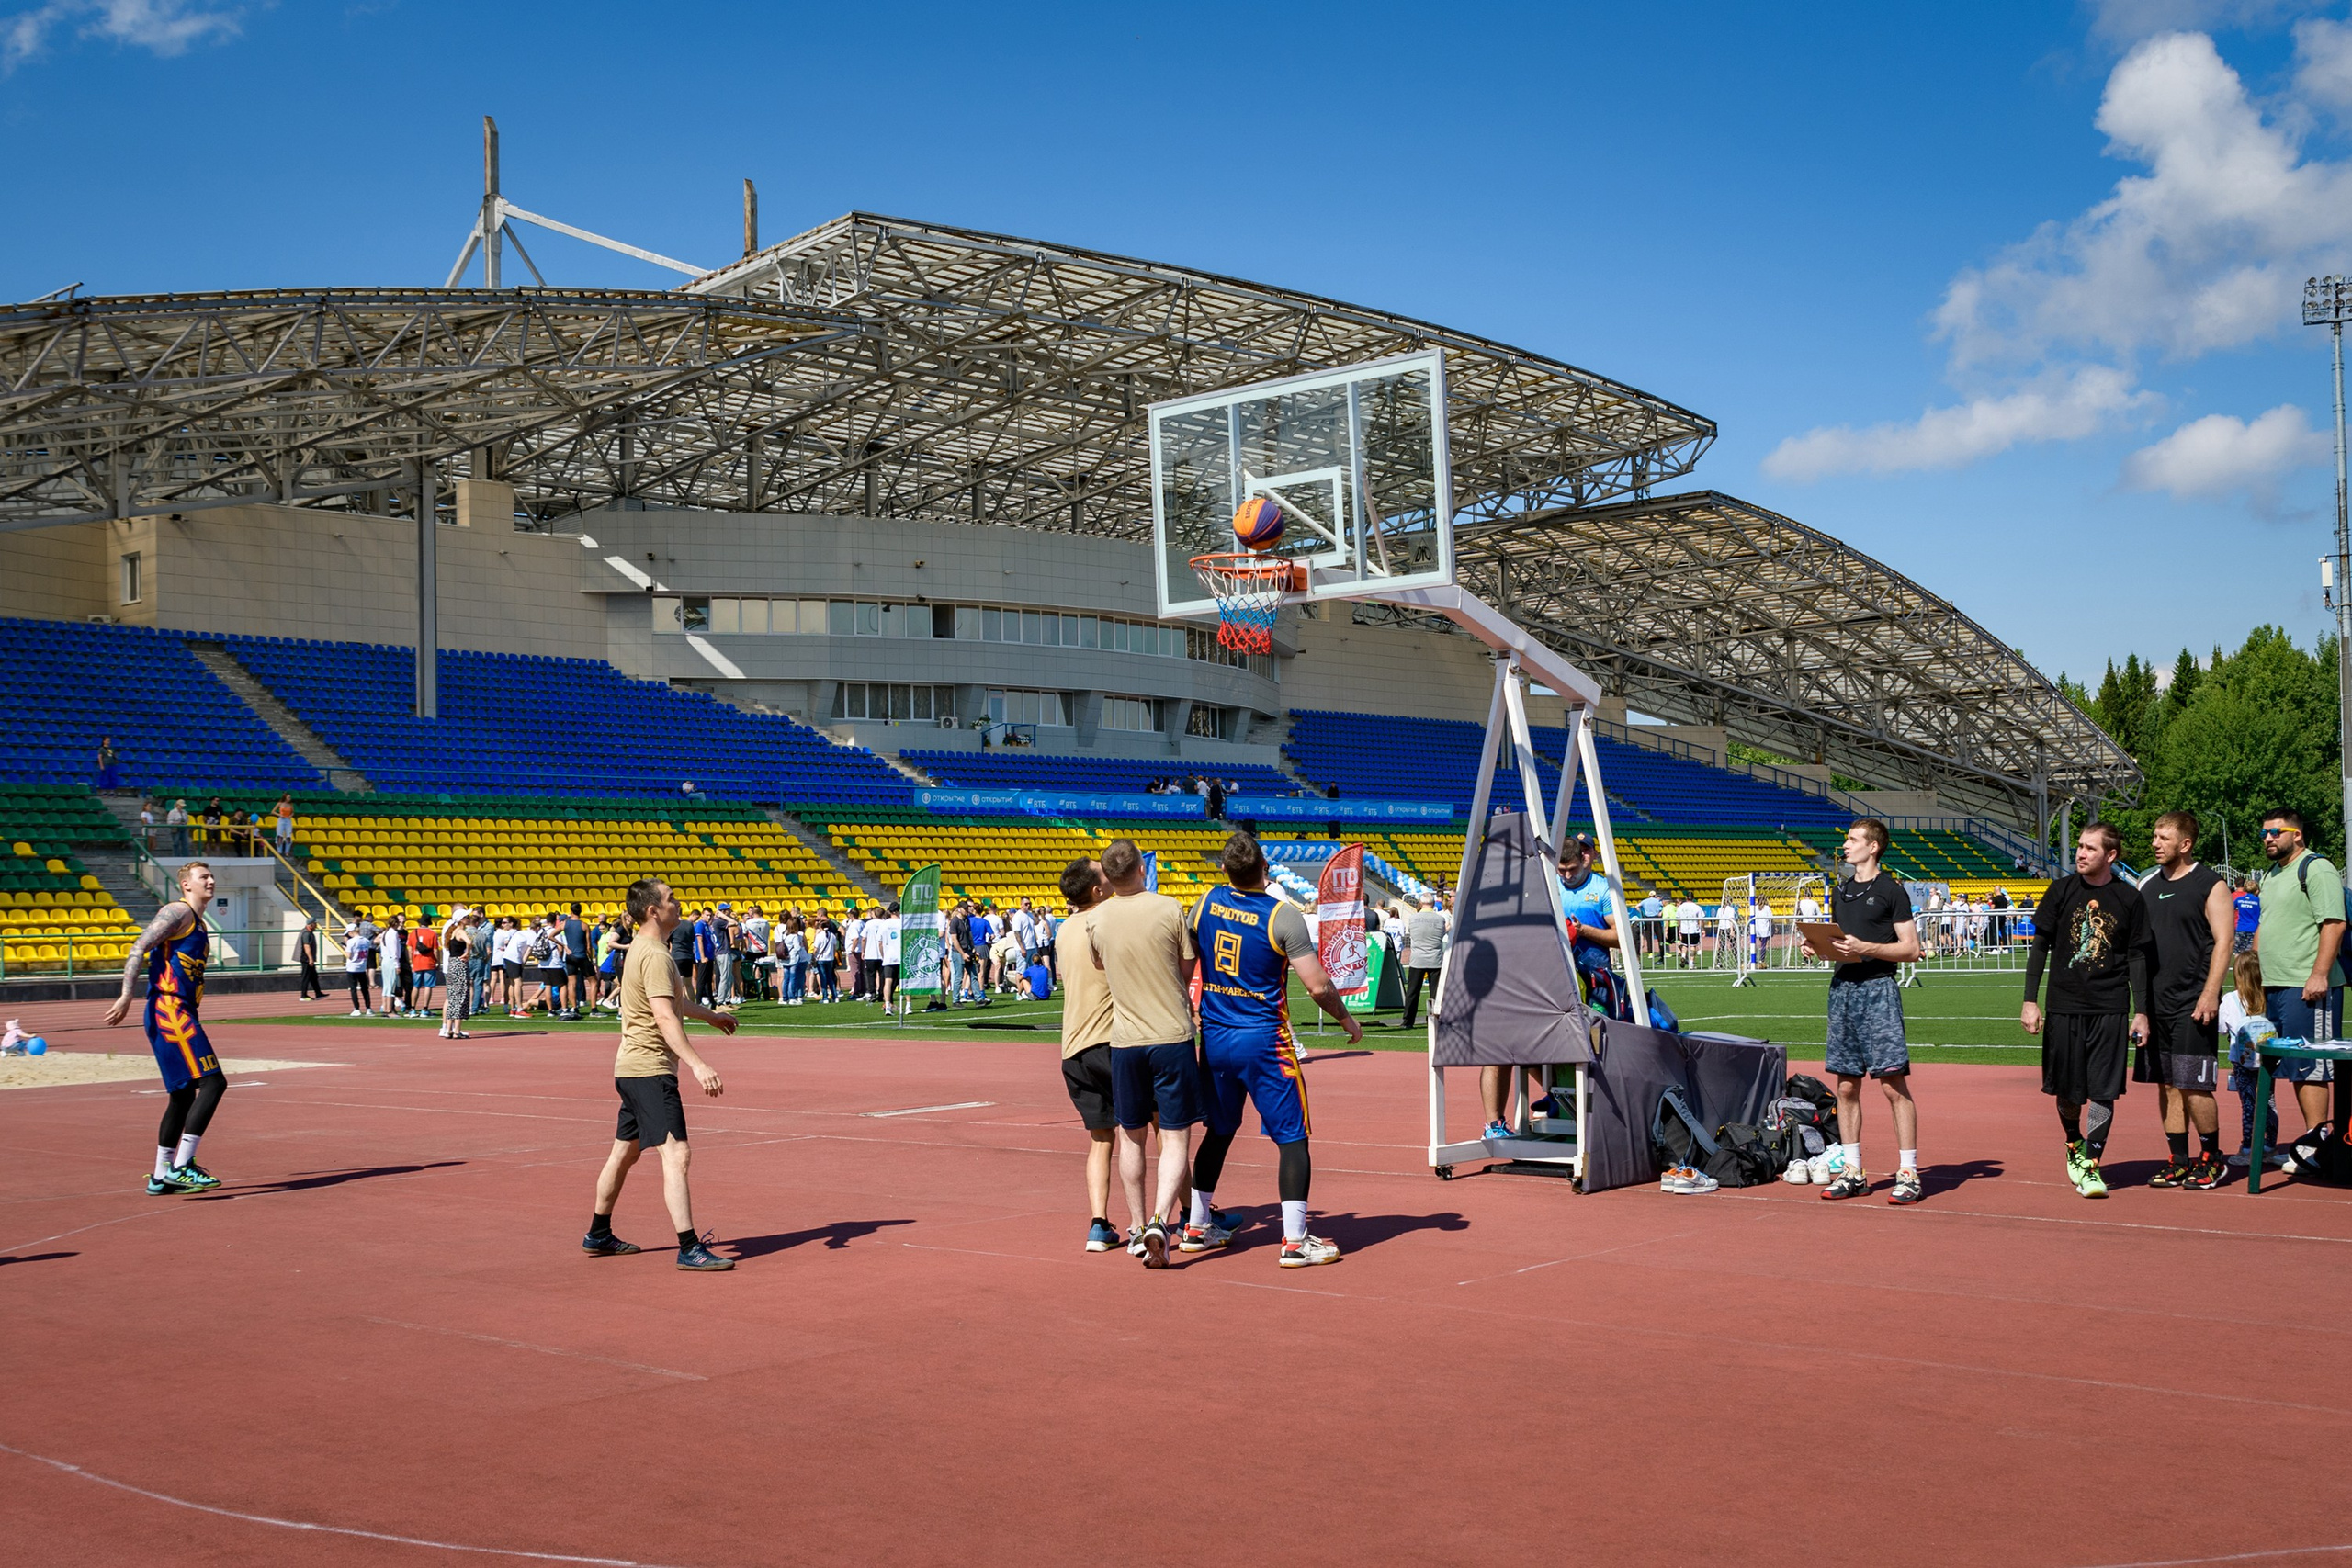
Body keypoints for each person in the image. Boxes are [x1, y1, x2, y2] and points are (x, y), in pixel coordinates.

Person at [1187, 831, 1360, 1266]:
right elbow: (1317, 985)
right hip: (1265, 1040)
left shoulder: (1203, 904)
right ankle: (1295, 1241)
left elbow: (1184, 964)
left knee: (1218, 1131)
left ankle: (1196, 1225)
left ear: (1223, 869)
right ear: (1265, 869)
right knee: (1292, 1136)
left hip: (1216, 1037)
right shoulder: (1283, 916)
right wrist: (1346, 1018)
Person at [584, 876, 739, 1271]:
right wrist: (698, 1064)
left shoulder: (646, 948)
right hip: (650, 1070)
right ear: (653, 911)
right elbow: (664, 1016)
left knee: (625, 1152)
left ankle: (598, 1233)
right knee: (677, 1153)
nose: (678, 903)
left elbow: (675, 1004)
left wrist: (711, 1016)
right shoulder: (655, 955)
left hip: (631, 1069)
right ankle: (689, 1247)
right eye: (671, 899)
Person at [2022, 823, 2152, 1200]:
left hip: (2110, 1006)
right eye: (2079, 846)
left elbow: (2137, 957)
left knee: (2103, 1090)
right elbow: (2039, 948)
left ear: (2110, 855)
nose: (2080, 853)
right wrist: (2029, 1000)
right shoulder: (2060, 890)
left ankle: (2092, 1165)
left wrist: (2141, 1011)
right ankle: (2073, 1142)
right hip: (2064, 1005)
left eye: (2090, 848)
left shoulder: (2129, 899)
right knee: (2067, 1092)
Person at [1089, 837, 1201, 1269]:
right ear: (1141, 869)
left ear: (1108, 878)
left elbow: (1100, 964)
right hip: (1171, 1034)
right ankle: (1160, 1219)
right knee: (1174, 1135)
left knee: (1130, 1135)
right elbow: (1187, 965)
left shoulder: (1097, 918)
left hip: (1125, 1040)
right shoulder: (1169, 907)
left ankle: (1137, 1225)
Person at [1819, 818, 1926, 1203]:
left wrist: (1866, 948)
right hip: (1842, 990)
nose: (1845, 845)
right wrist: (1817, 946)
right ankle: (1853, 1170)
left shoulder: (1891, 891)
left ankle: (1909, 1171)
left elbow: (1911, 949)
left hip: (1879, 990)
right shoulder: (1841, 891)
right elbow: (1839, 943)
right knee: (1846, 1086)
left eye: (1853, 839)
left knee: (1892, 1083)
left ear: (1873, 846)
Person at [105, 861, 228, 1194]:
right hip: (170, 1009)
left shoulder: (199, 923)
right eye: (204, 877)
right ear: (186, 884)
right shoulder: (178, 912)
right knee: (214, 1082)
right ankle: (183, 1165)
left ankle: (161, 1175)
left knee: (182, 1094)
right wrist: (126, 994)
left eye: (212, 876)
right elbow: (139, 947)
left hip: (178, 1010)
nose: (211, 880)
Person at [2136, 808, 2233, 1190]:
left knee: (2194, 1084)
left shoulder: (2210, 884)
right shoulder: (2147, 885)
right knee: (2167, 1084)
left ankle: (2212, 1158)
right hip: (2156, 1003)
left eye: (2164, 838)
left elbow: (2224, 942)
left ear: (2185, 844)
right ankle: (2178, 1159)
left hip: (2193, 1002)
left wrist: (2210, 993)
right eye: (2155, 836)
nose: (2155, 843)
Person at [2254, 807, 2345, 1149]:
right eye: (2264, 833)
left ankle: (2316, 1144)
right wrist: (2254, 971)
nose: (2268, 838)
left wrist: (2319, 975)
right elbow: (2266, 923)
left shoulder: (2316, 868)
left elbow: (2333, 923)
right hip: (2273, 985)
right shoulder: (2271, 874)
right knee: (2290, 1066)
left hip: (2306, 985)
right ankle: (2307, 1141)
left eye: (2275, 832)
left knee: (2310, 1067)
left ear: (2297, 834)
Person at [1056, 858, 1128, 1252]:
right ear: (1098, 890)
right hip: (1110, 1042)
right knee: (1161, 1130)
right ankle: (1190, 1215)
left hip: (1074, 1048)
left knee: (1101, 1139)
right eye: (1104, 873)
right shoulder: (1107, 921)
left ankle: (1099, 1224)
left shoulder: (1064, 928)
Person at [2220, 951, 2280, 1168]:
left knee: (2248, 1103)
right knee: (2269, 1101)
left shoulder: (2230, 999)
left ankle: (2247, 1147)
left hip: (2241, 1060)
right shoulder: (2269, 997)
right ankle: (2270, 1146)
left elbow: (2221, 1028)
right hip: (2267, 1059)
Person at [1397, 893, 1446, 1031]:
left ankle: (1408, 1021)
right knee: (1435, 993)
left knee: (1412, 992)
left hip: (1417, 958)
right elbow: (1442, 935)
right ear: (1433, 903)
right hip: (1435, 959)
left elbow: (1412, 934)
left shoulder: (1413, 918)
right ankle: (1434, 1019)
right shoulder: (1440, 919)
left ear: (1421, 903)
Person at [436, 907, 474, 1041]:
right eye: (467, 917)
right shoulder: (460, 931)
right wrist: (467, 953)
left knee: (452, 997)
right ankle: (457, 1030)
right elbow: (469, 942)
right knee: (461, 997)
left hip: (452, 964)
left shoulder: (452, 931)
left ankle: (448, 1029)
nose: (469, 919)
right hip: (459, 964)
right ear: (462, 920)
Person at [563, 902, 592, 1020]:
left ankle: (574, 1007)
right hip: (582, 956)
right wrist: (591, 958)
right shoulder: (584, 925)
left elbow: (551, 936)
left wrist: (565, 946)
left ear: (571, 911)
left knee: (572, 983)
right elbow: (588, 946)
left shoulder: (565, 924)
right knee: (594, 982)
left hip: (570, 957)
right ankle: (594, 1008)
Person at [344, 915, 375, 1015]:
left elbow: (349, 956)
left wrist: (344, 949)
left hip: (352, 967)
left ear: (351, 932)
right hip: (362, 967)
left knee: (353, 989)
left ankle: (356, 1008)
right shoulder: (366, 940)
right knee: (365, 989)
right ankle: (368, 1008)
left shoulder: (351, 941)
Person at [409, 917, 441, 1016]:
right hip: (429, 962)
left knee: (416, 986)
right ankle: (425, 1008)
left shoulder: (412, 933)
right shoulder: (432, 933)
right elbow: (435, 950)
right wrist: (438, 961)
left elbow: (410, 949)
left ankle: (413, 1009)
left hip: (417, 962)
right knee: (428, 986)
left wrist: (411, 961)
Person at [2232, 876, 2261, 955]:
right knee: (2251, 953)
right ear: (2257, 890)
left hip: (2240, 928)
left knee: (2238, 952)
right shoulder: (2259, 901)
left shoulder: (2239, 900)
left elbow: (2230, 908)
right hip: (2253, 929)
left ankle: (2238, 963)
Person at [295, 918, 322, 1000]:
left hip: (307, 958)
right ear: (311, 925)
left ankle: (318, 993)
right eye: (315, 924)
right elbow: (306, 946)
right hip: (306, 959)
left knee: (313, 976)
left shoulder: (308, 932)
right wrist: (310, 959)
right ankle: (303, 995)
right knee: (306, 977)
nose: (316, 925)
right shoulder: (306, 934)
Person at [1676, 895, 1704, 967]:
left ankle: (1683, 956)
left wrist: (1679, 928)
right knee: (1693, 946)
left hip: (1684, 928)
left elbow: (1678, 919)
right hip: (1693, 929)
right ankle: (1691, 963)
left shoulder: (1681, 907)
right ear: (1693, 898)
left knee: (1684, 945)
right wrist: (1703, 929)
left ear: (1686, 898)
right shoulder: (1697, 907)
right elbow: (1701, 919)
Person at [273, 794, 295, 858]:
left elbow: (293, 812)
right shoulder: (280, 803)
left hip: (288, 820)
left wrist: (291, 815)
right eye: (288, 797)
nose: (289, 799)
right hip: (281, 819)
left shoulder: (291, 804)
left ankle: (287, 851)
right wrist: (280, 815)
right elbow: (273, 811)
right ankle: (279, 851)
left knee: (288, 836)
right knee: (279, 835)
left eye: (290, 797)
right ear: (285, 798)